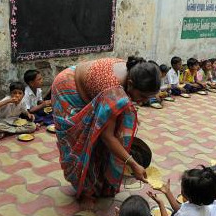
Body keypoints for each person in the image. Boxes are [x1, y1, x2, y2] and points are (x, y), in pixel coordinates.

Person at [51, 56, 160, 206]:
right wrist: (133, 163)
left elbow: (118, 106)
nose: (143, 102)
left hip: (93, 88)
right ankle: (85, 190)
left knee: (102, 139)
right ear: (130, 84)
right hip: (68, 89)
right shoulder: (113, 89)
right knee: (85, 142)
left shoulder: (133, 70)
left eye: (148, 98)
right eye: (141, 97)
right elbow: (107, 137)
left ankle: (100, 183)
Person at [148, 166, 216, 216]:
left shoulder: (183, 215)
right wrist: (167, 192)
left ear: (185, 193)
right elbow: (179, 209)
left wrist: (161, 204)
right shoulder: (205, 207)